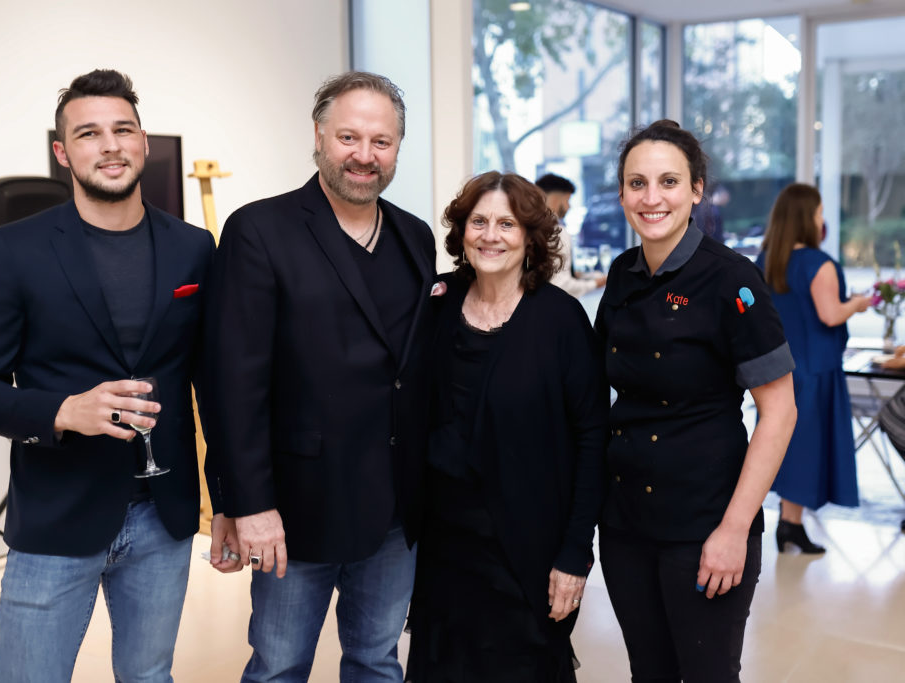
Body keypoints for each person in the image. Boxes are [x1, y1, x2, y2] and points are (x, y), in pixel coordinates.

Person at [0, 69, 220, 682]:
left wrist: (223, 500)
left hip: (165, 517)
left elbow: (215, 384)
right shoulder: (15, 249)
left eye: (123, 129)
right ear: (62, 152)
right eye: (89, 133)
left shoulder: (193, 248)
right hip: (56, 515)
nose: (110, 145)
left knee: (149, 677)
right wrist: (64, 411)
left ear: (144, 142)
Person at [200, 71, 436, 681]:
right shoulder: (261, 230)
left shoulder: (414, 236)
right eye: (349, 137)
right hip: (296, 507)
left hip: (393, 505)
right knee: (280, 666)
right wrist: (246, 503)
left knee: (378, 660)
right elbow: (232, 381)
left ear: (398, 147)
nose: (364, 156)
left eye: (381, 142)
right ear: (319, 136)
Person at [594, 120, 797, 682]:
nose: (651, 197)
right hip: (627, 524)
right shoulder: (622, 275)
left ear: (697, 189)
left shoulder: (732, 280)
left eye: (668, 181)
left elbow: (780, 411)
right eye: (637, 183)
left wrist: (734, 531)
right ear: (622, 194)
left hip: (706, 524)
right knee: (649, 673)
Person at [405, 172, 608, 682]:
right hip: (443, 553)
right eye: (479, 221)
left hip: (525, 554)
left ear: (531, 237)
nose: (490, 235)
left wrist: (574, 556)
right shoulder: (438, 301)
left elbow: (591, 441)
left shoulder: (560, 320)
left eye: (507, 223)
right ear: (462, 230)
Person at [758, 183, 869, 553]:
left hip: (778, 371)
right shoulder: (818, 264)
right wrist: (857, 303)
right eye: (820, 212)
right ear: (807, 217)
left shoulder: (766, 260)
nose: (823, 219)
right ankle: (789, 526)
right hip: (814, 371)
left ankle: (790, 525)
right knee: (805, 451)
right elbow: (830, 313)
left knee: (785, 449)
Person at [535, 173, 607, 297]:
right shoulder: (557, 232)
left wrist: (578, 275)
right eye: (568, 200)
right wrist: (596, 283)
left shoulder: (529, 229)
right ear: (557, 200)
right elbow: (560, 285)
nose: (569, 206)